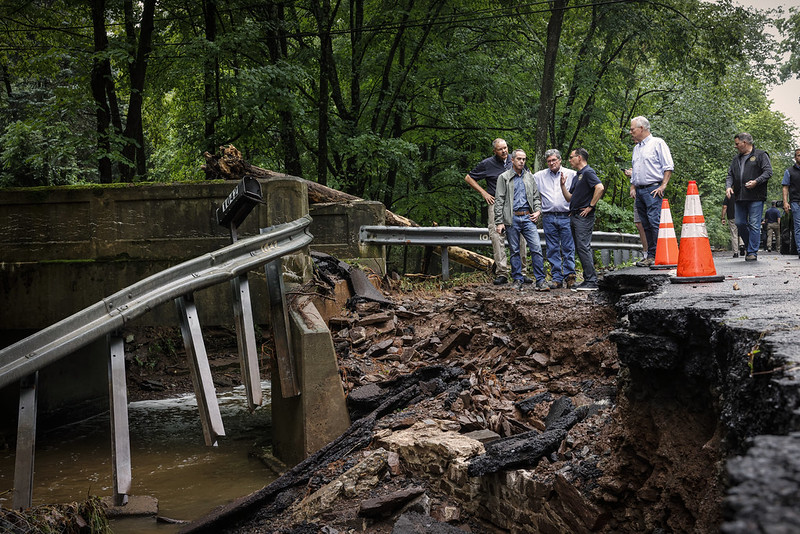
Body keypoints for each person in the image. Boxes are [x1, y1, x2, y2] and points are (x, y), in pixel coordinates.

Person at [464, 138, 526, 285]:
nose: (504, 151)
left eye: (505, 148)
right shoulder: (487, 164)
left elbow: (526, 180)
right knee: (497, 237)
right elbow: (468, 177)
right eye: (500, 149)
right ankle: (502, 272)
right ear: (495, 151)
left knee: (520, 236)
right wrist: (484, 193)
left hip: (516, 204)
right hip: (496, 203)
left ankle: (522, 272)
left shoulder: (516, 160)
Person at [494, 149, 548, 291]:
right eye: (519, 159)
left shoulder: (530, 177)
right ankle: (517, 280)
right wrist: (499, 221)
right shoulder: (504, 177)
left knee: (536, 248)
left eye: (524, 159)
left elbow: (536, 197)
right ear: (512, 160)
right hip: (512, 218)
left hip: (528, 217)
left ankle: (541, 281)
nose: (522, 161)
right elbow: (499, 200)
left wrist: (537, 211)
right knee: (515, 251)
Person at [626, 116, 674, 268]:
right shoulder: (636, 148)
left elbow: (668, 166)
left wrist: (663, 186)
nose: (630, 132)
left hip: (653, 189)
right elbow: (636, 170)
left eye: (632, 129)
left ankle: (661, 254)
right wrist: (632, 186)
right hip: (639, 190)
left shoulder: (657, 143)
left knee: (655, 221)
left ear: (642, 128)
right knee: (644, 223)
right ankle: (651, 255)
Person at [561, 148, 604, 291]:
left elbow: (600, 187)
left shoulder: (588, 172)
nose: (569, 160)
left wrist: (590, 206)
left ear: (579, 158)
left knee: (583, 247)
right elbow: (570, 198)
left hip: (583, 217)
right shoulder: (577, 176)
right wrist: (562, 185)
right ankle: (588, 279)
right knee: (580, 248)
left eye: (572, 157)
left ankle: (591, 281)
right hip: (574, 215)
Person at [725, 132, 772, 262]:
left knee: (754, 224)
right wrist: (728, 186)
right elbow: (730, 175)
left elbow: (768, 172)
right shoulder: (736, 159)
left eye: (737, 144)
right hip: (739, 196)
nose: (735, 146)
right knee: (740, 223)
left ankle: (752, 252)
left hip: (756, 196)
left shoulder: (761, 155)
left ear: (744, 143)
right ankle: (749, 245)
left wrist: (756, 181)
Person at [534, 149, 577, 289]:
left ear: (559, 160)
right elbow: (532, 190)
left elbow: (579, 193)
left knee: (568, 247)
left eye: (554, 160)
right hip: (548, 216)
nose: (551, 163)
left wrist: (576, 210)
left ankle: (570, 276)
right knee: (552, 248)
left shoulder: (571, 174)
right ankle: (557, 278)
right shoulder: (539, 176)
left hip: (566, 215)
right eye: (549, 161)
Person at [782, 147, 800, 259]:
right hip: (795, 202)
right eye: (798, 155)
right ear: (795, 157)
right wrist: (785, 202)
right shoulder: (789, 171)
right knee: (798, 227)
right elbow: (785, 187)